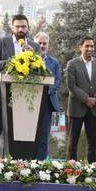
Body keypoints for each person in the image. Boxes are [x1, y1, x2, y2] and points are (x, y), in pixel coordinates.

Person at [0, 14, 39, 158]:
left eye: (23, 26)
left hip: (23, 94)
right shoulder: (2, 42)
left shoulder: (34, 46)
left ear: (28, 28)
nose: (20, 29)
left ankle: (14, 161)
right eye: (17, 26)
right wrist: (15, 61)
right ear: (12, 28)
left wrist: (32, 57)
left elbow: (39, 70)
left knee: (17, 131)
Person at [65, 36, 96, 163]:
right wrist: (86, 99)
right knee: (73, 143)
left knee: (93, 144)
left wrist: (95, 98)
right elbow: (71, 85)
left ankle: (92, 169)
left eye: (92, 46)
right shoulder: (72, 64)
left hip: (94, 108)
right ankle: (71, 169)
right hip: (76, 108)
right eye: (87, 46)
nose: (90, 48)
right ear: (80, 47)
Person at [34, 32, 62, 160]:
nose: (42, 46)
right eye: (39, 43)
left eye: (44, 43)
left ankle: (40, 162)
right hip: (31, 102)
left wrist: (46, 91)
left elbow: (58, 81)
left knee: (44, 134)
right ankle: (29, 161)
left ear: (48, 45)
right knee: (31, 133)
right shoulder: (27, 61)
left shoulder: (54, 62)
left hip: (47, 102)